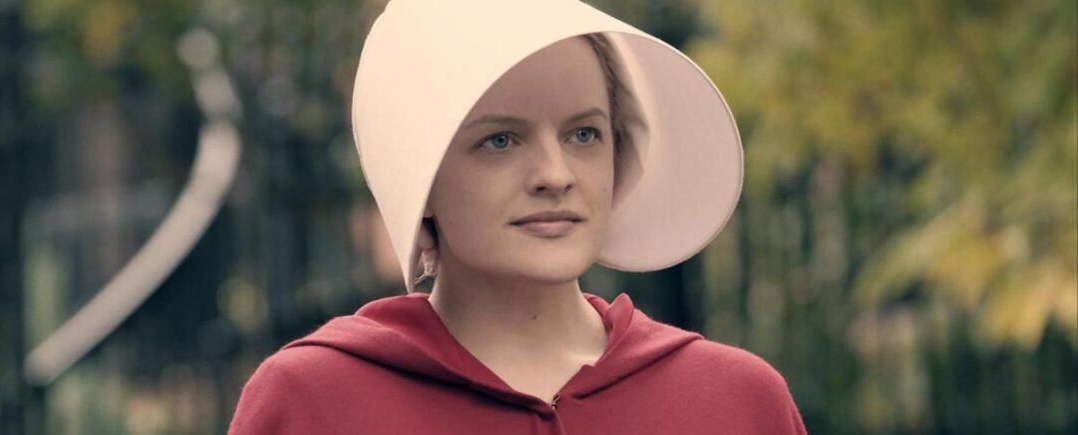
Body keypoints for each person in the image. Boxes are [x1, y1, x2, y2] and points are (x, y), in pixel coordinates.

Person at [229, 0, 808, 433]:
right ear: (420, 181)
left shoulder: (737, 402)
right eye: (501, 140)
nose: (555, 174)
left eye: (584, 134)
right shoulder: (314, 403)